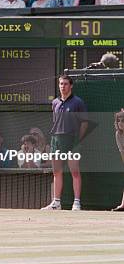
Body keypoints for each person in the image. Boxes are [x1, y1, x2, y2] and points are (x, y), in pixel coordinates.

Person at [42, 75, 88, 211]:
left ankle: (77, 202)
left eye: (66, 84)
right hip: (56, 140)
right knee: (56, 172)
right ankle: (56, 203)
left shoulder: (78, 102)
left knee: (75, 172)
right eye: (61, 84)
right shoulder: (55, 102)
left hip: (72, 140)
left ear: (71, 85)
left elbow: (84, 123)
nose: (63, 86)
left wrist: (78, 139)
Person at [113, 110, 124, 211]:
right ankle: (123, 204)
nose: (120, 123)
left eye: (123, 121)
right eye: (118, 121)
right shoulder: (118, 134)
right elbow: (122, 152)